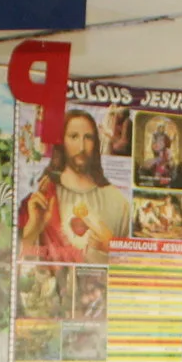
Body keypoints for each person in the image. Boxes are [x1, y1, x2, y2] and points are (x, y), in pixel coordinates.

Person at [15, 109, 131, 264]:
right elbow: (14, 263)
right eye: (73, 137)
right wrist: (33, 229)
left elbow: (127, 271)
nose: (81, 146)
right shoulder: (39, 201)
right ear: (62, 142)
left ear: (96, 143)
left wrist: (104, 251)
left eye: (88, 138)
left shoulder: (118, 203)